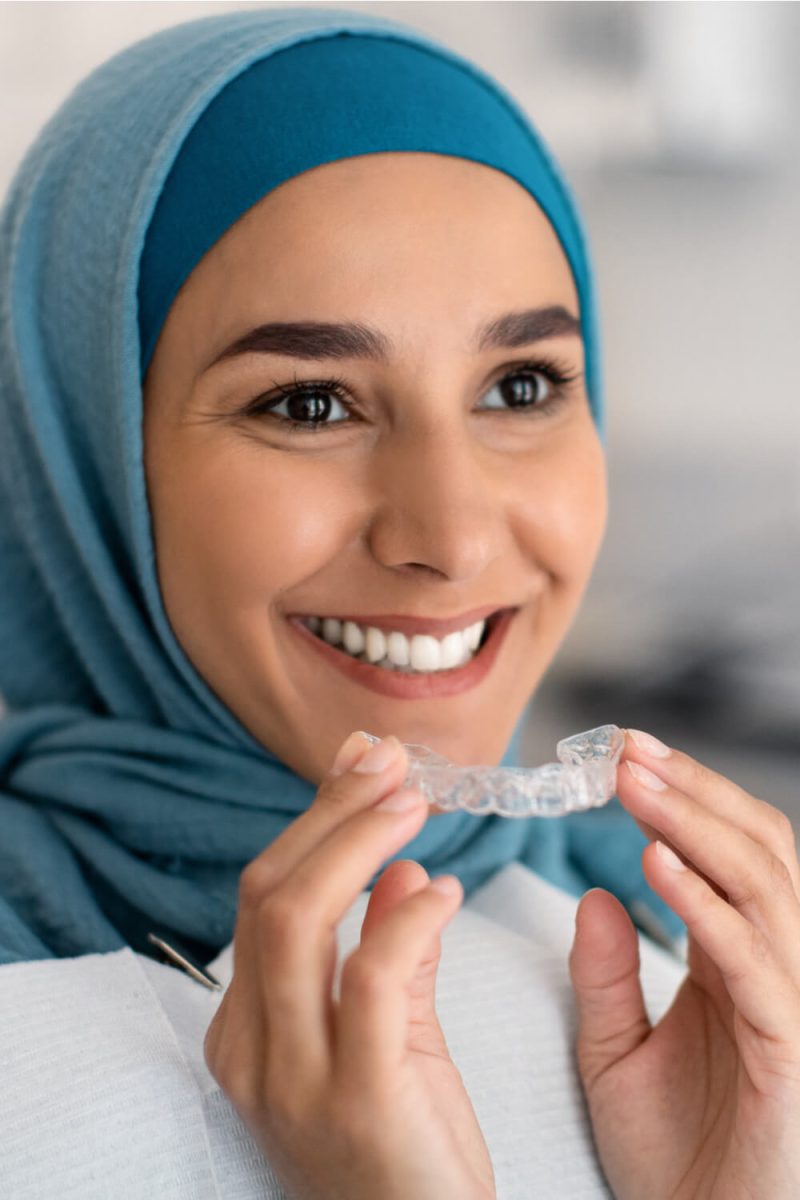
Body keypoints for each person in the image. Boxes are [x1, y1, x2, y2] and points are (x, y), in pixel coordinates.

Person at [1, 8, 798, 1199]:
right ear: (86, 456)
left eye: (519, 384)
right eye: (309, 404)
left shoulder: (695, 960)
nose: (452, 536)